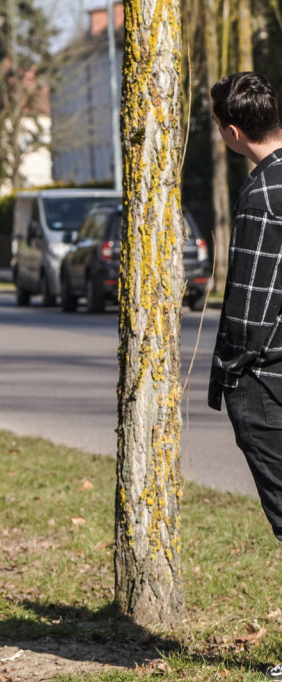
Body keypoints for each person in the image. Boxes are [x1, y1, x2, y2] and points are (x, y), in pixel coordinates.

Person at [208, 71, 282, 679]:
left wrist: (230, 371)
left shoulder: (263, 193)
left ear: (234, 132)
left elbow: (252, 307)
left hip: (268, 380)